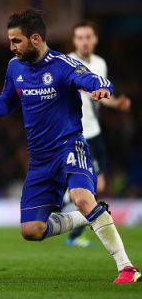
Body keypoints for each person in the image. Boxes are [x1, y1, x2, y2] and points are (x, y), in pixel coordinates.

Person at [0, 9, 140, 283]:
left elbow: (92, 78)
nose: (11, 47)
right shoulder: (15, 67)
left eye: (16, 41)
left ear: (35, 38)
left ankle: (126, 267)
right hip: (40, 159)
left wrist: (102, 86)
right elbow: (7, 102)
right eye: (11, 41)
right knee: (31, 230)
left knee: (81, 198)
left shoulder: (63, 64)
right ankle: (87, 218)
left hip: (70, 146)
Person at [63, 20, 131, 247]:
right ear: (74, 41)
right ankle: (70, 215)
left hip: (95, 132)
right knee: (90, 188)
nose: (84, 41)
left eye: (88, 37)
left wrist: (116, 104)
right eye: (80, 37)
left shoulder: (100, 63)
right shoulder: (66, 63)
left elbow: (100, 94)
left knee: (98, 186)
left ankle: (72, 223)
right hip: (75, 133)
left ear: (95, 39)